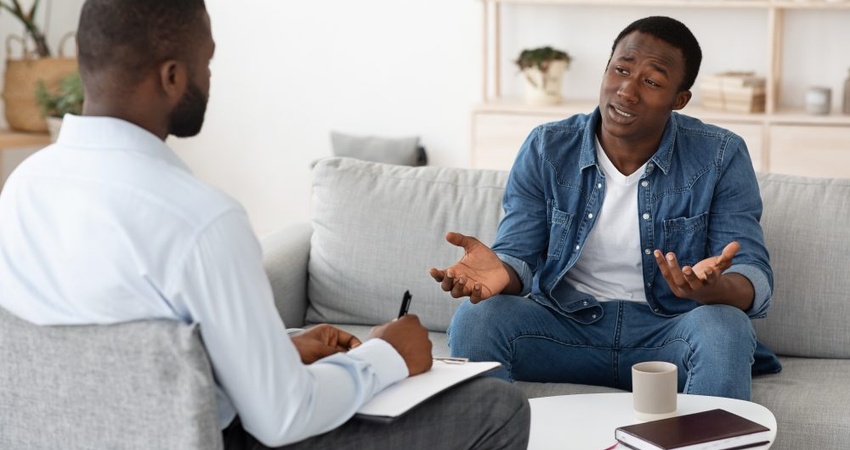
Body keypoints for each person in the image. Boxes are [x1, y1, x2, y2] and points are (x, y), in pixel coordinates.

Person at [0, 0, 530, 448]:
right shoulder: (201, 220)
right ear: (172, 77)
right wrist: (387, 355)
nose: (210, 78)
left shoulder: (23, 188)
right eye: (207, 62)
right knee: (498, 407)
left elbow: (111, 362)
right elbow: (283, 418)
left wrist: (275, 355)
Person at [430, 16, 781, 401]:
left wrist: (714, 288)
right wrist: (502, 271)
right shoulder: (547, 146)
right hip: (564, 329)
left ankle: (705, 435)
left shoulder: (720, 155)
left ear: (679, 100)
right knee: (478, 318)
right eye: (621, 70)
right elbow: (518, 255)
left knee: (726, 327)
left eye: (652, 81)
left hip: (669, 334)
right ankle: (492, 430)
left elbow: (751, 272)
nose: (627, 91)